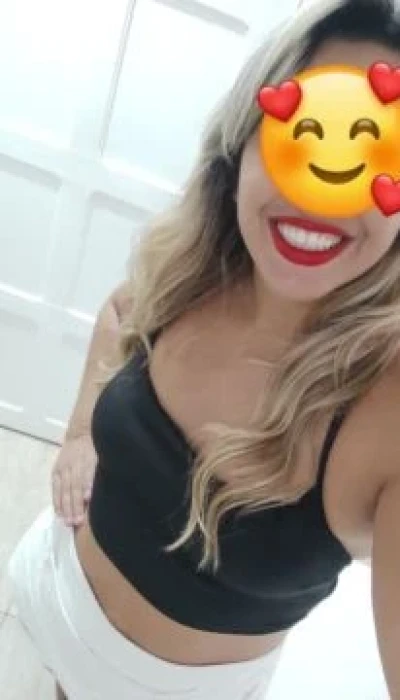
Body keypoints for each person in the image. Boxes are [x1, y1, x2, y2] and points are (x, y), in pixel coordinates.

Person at [6, 0, 400, 698]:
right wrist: (78, 434)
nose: (325, 194)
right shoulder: (194, 270)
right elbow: (121, 310)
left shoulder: (383, 412)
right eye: (303, 132)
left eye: (378, 150)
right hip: (56, 593)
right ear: (244, 142)